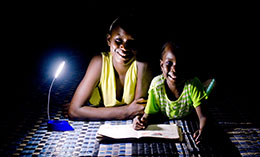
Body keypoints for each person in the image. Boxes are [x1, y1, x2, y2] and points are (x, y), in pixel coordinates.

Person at [68, 15, 153, 120]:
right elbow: (74, 111)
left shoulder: (142, 65)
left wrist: (90, 111)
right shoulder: (99, 62)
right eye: (118, 41)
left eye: (131, 43)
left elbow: (137, 111)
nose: (124, 48)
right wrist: (126, 111)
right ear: (109, 40)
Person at [133, 41, 208, 144]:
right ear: (161, 65)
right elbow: (148, 115)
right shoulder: (157, 86)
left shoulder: (193, 85)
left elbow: (203, 116)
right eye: (169, 63)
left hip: (189, 119)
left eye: (180, 64)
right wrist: (140, 121)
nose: (174, 69)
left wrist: (202, 129)